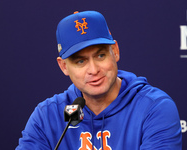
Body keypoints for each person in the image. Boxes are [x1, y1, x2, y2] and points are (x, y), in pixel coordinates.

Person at [16, 11, 182, 149]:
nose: (94, 70)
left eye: (101, 55)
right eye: (80, 61)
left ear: (115, 51)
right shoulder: (47, 115)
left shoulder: (154, 108)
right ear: (64, 67)